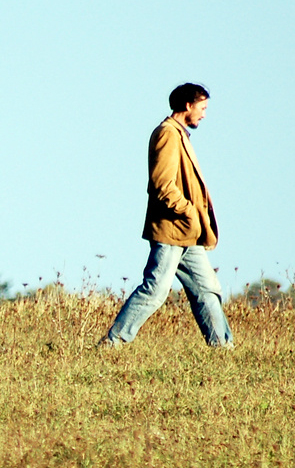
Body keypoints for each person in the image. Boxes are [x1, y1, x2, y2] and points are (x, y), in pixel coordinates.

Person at [99, 83, 234, 348]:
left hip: (188, 232)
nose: (204, 114)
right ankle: (113, 343)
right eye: (202, 108)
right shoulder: (168, 134)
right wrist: (187, 211)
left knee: (207, 290)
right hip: (173, 229)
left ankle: (223, 348)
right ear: (187, 105)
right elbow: (162, 184)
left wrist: (193, 219)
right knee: (155, 290)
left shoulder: (179, 134)